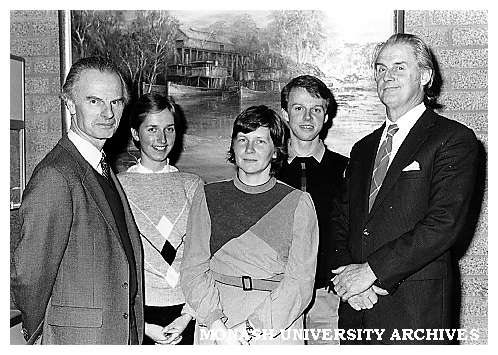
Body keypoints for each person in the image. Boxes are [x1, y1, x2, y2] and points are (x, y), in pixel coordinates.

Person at [329, 33, 478, 344]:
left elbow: (443, 225)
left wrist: (370, 272)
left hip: (414, 311)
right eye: (381, 68)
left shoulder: (452, 139)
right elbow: (340, 220)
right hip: (356, 310)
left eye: (399, 67)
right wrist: (348, 280)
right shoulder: (363, 149)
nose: (387, 77)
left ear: (424, 76)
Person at [10, 56, 144, 344]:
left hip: (119, 334)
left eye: (116, 102)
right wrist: (38, 334)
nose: (108, 113)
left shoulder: (102, 167)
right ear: (70, 104)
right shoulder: (56, 175)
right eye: (94, 101)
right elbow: (30, 274)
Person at [181, 105, 319, 344]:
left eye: (260, 142)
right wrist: (216, 325)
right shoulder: (208, 196)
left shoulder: (298, 202)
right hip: (216, 320)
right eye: (242, 140)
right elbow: (193, 269)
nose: (249, 149)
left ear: (276, 151)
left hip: (275, 324)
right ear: (233, 147)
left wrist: (250, 328)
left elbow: (300, 282)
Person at [117, 93, 202, 345]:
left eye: (169, 129)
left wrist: (188, 315)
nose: (162, 139)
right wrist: (140, 324)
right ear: (135, 133)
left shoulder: (193, 185)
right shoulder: (118, 188)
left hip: (186, 312)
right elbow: (112, 265)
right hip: (137, 313)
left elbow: (203, 256)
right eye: (152, 129)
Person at [278, 75, 348, 335]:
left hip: (328, 299)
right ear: (285, 113)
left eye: (316, 109)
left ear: (326, 116)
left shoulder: (346, 170)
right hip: (277, 296)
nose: (307, 117)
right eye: (299, 109)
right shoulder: (268, 168)